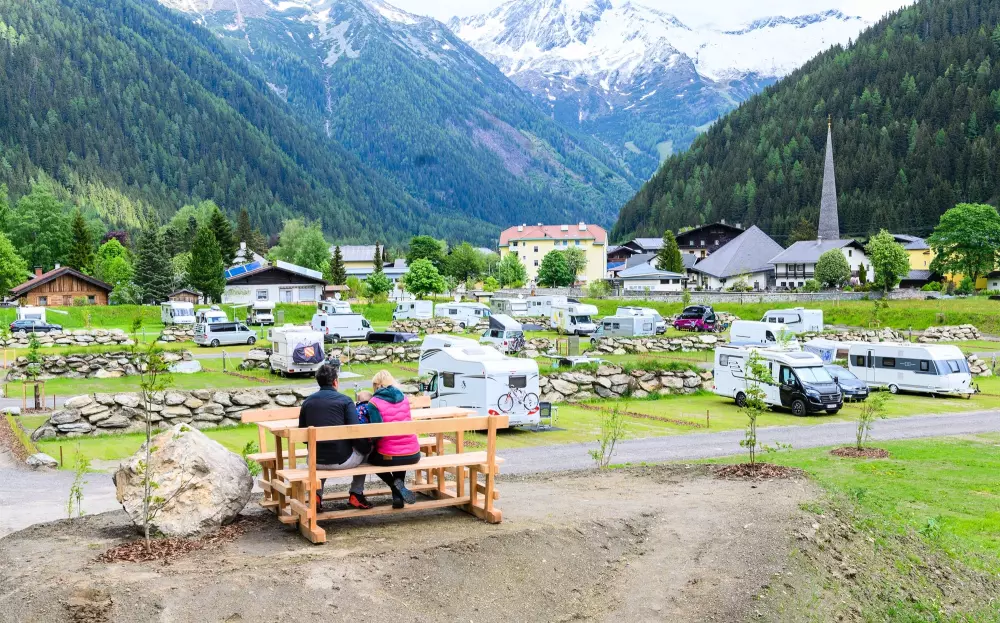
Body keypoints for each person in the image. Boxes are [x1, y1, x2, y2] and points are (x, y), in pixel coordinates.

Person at [297, 363, 373, 510]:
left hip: (314, 461)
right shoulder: (345, 401)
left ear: (318, 382)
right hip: (341, 460)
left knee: (320, 450)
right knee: (366, 449)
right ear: (335, 382)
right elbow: (356, 432)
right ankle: (356, 493)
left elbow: (304, 437)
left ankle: (316, 496)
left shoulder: (307, 402)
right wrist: (366, 448)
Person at [365, 370, 421, 509]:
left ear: (376, 385)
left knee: (368, 459)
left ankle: (395, 488)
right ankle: (397, 497)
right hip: (413, 454)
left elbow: (377, 433)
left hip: (389, 455)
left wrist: (370, 442)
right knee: (399, 454)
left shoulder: (373, 403)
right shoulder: (404, 398)